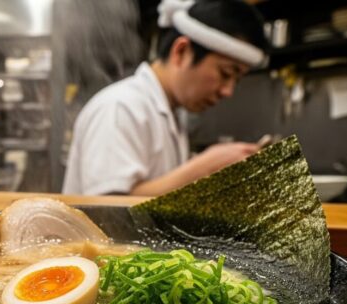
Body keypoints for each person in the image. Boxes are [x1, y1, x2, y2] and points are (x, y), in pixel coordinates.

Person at [63, 0, 268, 196]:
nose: (228, 91)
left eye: (236, 80)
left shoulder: (171, 113)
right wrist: (204, 167)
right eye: (225, 73)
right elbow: (107, 211)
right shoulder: (121, 107)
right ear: (181, 51)